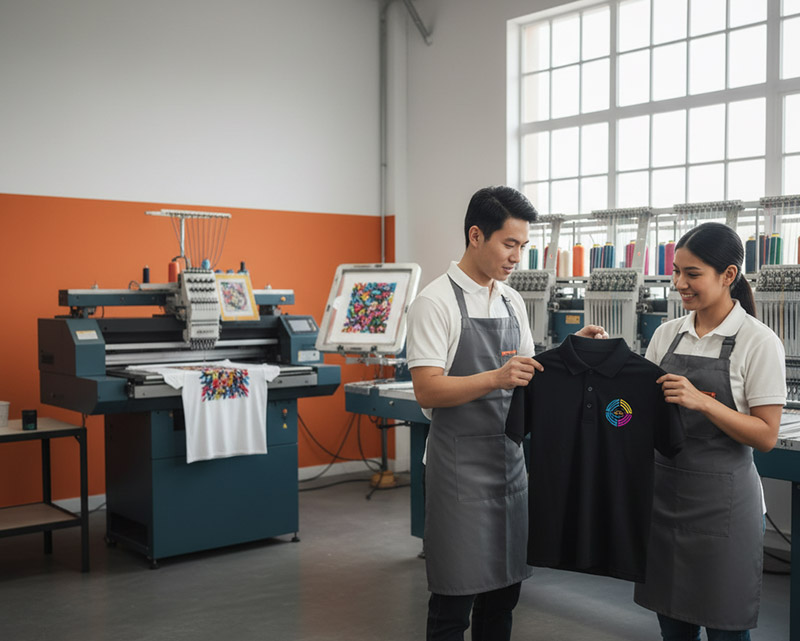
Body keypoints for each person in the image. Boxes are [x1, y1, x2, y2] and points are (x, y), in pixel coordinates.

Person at [406, 185, 606, 641]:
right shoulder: (434, 303)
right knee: (453, 603)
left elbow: (530, 372)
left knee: (503, 598)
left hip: (510, 469)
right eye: (509, 244)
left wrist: (576, 352)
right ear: (476, 236)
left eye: (523, 246)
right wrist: (495, 378)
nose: (517, 257)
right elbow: (428, 388)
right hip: (459, 474)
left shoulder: (512, 300)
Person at [634, 222, 787, 640]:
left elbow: (766, 435)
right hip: (664, 503)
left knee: (726, 631)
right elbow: (635, 417)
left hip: (724, 511)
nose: (680, 284)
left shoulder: (758, 342)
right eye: (676, 273)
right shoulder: (666, 336)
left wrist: (703, 401)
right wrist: (601, 386)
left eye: (692, 273)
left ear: (728, 276)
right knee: (673, 628)